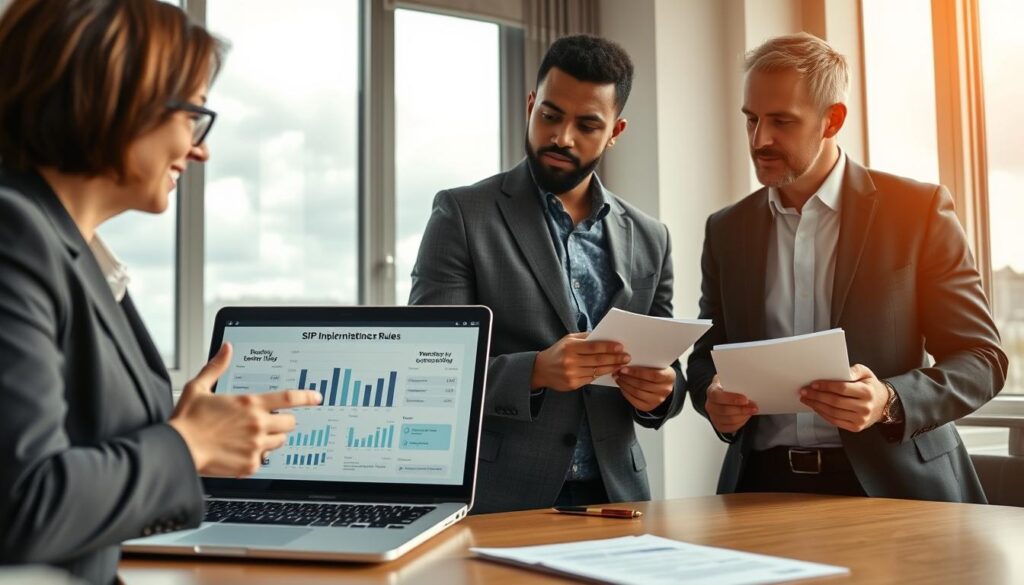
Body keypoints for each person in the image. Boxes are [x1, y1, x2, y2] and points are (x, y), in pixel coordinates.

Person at [0, 1, 321, 583]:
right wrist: (188, 443)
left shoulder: (76, 253)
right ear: (119, 99)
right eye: (193, 115)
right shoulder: (13, 234)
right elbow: (22, 504)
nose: (201, 149)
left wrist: (180, 430)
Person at [686, 32, 1008, 501]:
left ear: (832, 119)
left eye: (781, 121)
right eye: (751, 119)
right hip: (761, 489)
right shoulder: (726, 230)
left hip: (897, 490)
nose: (760, 140)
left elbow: (983, 360)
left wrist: (890, 401)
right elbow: (705, 355)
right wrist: (711, 396)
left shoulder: (918, 210)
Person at [410, 34, 684, 513]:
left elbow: (669, 372)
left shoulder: (651, 236)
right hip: (499, 497)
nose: (562, 137)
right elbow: (431, 366)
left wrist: (660, 392)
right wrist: (534, 371)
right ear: (531, 104)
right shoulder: (461, 214)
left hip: (617, 497)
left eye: (587, 125)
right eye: (551, 116)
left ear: (615, 132)